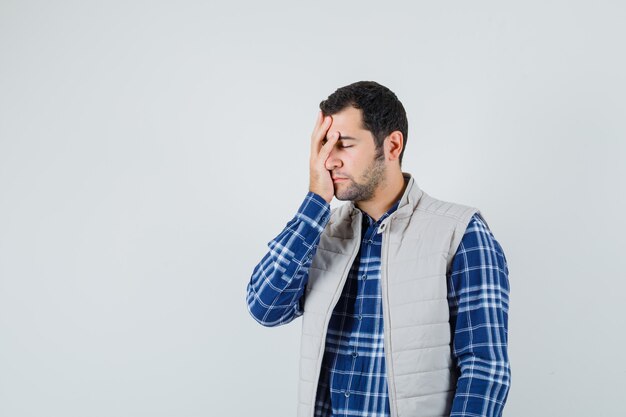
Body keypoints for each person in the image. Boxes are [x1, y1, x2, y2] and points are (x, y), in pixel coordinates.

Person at [246, 81, 510, 417]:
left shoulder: (459, 232)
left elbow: (484, 370)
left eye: (344, 144)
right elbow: (265, 308)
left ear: (392, 145)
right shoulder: (319, 232)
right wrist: (315, 202)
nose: (329, 160)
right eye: (324, 146)